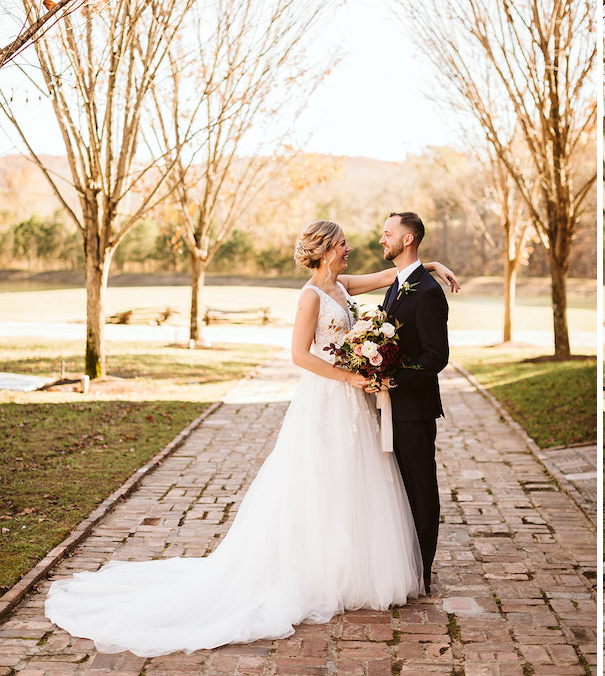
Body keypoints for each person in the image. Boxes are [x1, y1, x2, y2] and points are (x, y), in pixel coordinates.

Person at [44, 220, 460, 657]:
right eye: (342, 243)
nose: (350, 247)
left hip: (353, 401)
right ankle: (317, 570)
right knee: (319, 480)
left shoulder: (342, 285)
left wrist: (427, 264)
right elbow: (299, 355)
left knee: (358, 480)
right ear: (323, 251)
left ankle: (352, 565)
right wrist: (349, 377)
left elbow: (393, 275)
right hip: (327, 398)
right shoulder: (311, 295)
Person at [374, 211, 450, 595]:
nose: (381, 239)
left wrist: (393, 379)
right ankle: (404, 563)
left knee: (421, 489)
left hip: (415, 410)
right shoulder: (399, 284)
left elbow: (437, 357)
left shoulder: (429, 292)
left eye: (388, 234)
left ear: (407, 239)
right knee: (399, 489)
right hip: (392, 407)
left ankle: (422, 571)